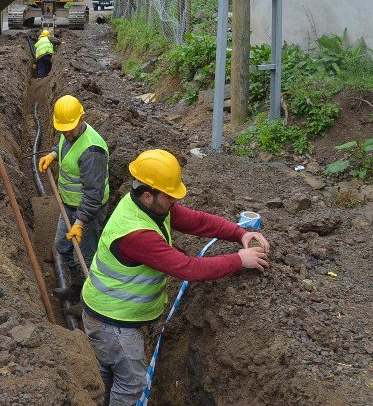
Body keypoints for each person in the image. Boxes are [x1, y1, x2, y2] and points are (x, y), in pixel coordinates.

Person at [80, 149, 271, 405]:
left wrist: (239, 233)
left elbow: (197, 221)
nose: (174, 201)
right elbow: (188, 268)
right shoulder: (137, 234)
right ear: (148, 195)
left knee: (107, 372)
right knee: (132, 384)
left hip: (109, 312)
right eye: (170, 196)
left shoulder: (149, 207)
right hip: (112, 323)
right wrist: (239, 259)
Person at [37, 95, 110, 301]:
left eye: (71, 127)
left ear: (82, 118)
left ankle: (90, 302)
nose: (67, 132)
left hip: (88, 212)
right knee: (62, 246)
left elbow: (93, 195)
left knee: (86, 258)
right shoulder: (67, 132)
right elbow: (63, 145)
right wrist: (53, 154)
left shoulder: (92, 150)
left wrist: (80, 222)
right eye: (63, 128)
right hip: (69, 206)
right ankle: (78, 287)